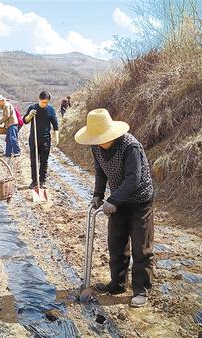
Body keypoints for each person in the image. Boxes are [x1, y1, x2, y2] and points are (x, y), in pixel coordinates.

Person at [74, 108, 155, 308]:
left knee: (140, 247)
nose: (97, 141)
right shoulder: (97, 147)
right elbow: (101, 173)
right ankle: (117, 284)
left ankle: (141, 290)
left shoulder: (130, 146)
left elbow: (133, 178)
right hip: (118, 202)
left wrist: (114, 200)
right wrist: (98, 195)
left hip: (140, 202)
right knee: (116, 244)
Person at [23, 91, 59, 189]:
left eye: (46, 102)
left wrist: (57, 137)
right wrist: (30, 115)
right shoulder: (32, 108)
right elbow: (25, 121)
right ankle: (34, 181)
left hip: (45, 140)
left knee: (44, 161)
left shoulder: (50, 110)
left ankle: (42, 181)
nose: (44, 104)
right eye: (42, 102)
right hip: (33, 139)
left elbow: (55, 125)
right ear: (39, 99)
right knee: (34, 160)